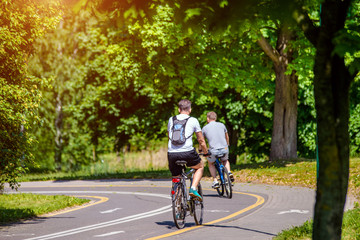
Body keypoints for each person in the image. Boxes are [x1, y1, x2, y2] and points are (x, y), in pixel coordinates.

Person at [167, 99, 209, 201]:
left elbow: (169, 136)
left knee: (176, 177)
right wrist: (206, 152)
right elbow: (201, 140)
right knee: (200, 166)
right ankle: (193, 188)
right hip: (187, 152)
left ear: (178, 109)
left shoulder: (171, 119)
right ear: (190, 109)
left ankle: (177, 203)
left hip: (172, 153)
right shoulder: (193, 120)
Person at [201, 111, 234, 189]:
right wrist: (227, 144)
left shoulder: (205, 128)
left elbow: (202, 141)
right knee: (225, 160)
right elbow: (227, 137)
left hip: (213, 150)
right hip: (224, 148)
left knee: (211, 163)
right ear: (215, 118)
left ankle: (215, 180)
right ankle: (229, 172)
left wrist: (201, 150)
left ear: (208, 119)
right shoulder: (222, 125)